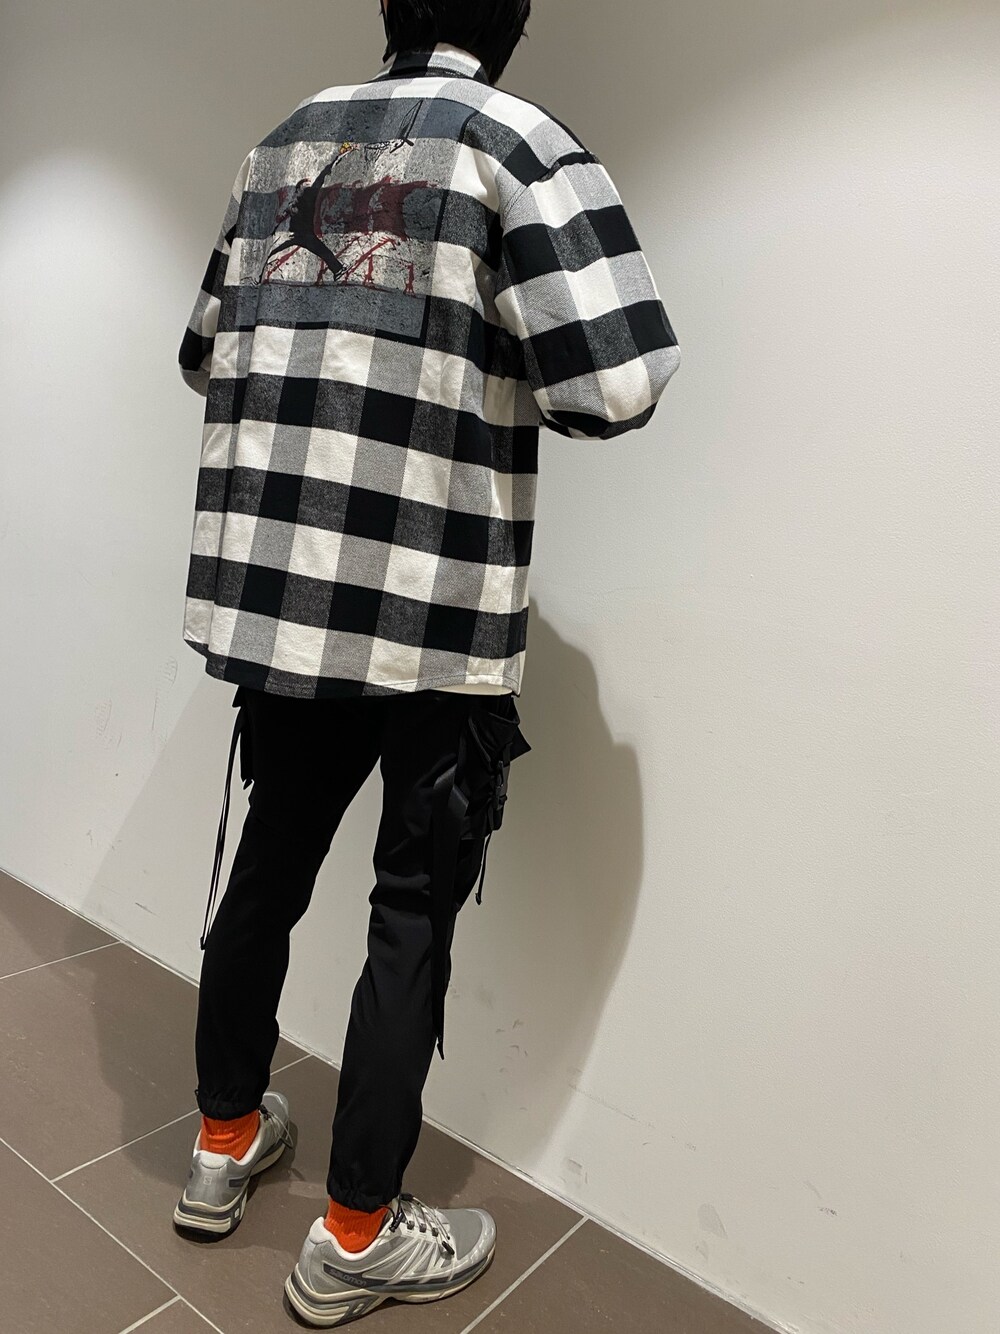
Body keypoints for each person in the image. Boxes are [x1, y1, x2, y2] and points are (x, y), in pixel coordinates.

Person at [173, 0, 680, 1325]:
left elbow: (202, 354)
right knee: (410, 911)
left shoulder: (283, 142)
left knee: (270, 862)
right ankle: (353, 1233)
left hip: (287, 605)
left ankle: (222, 1141)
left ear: (388, 12)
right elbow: (617, 383)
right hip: (433, 617)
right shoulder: (513, 144)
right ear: (511, 22)